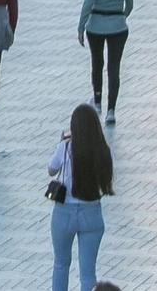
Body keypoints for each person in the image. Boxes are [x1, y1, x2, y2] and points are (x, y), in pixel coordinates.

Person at [49, 102, 116, 291]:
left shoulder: (66, 147)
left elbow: (51, 169)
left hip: (64, 212)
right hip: (92, 213)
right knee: (88, 273)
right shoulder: (104, 150)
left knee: (61, 264)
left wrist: (62, 142)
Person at [76, 0, 135, 126]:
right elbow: (130, 4)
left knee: (97, 61)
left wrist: (81, 26)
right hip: (118, 27)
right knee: (114, 67)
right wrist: (121, 15)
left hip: (96, 26)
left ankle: (98, 100)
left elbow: (88, 2)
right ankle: (111, 110)